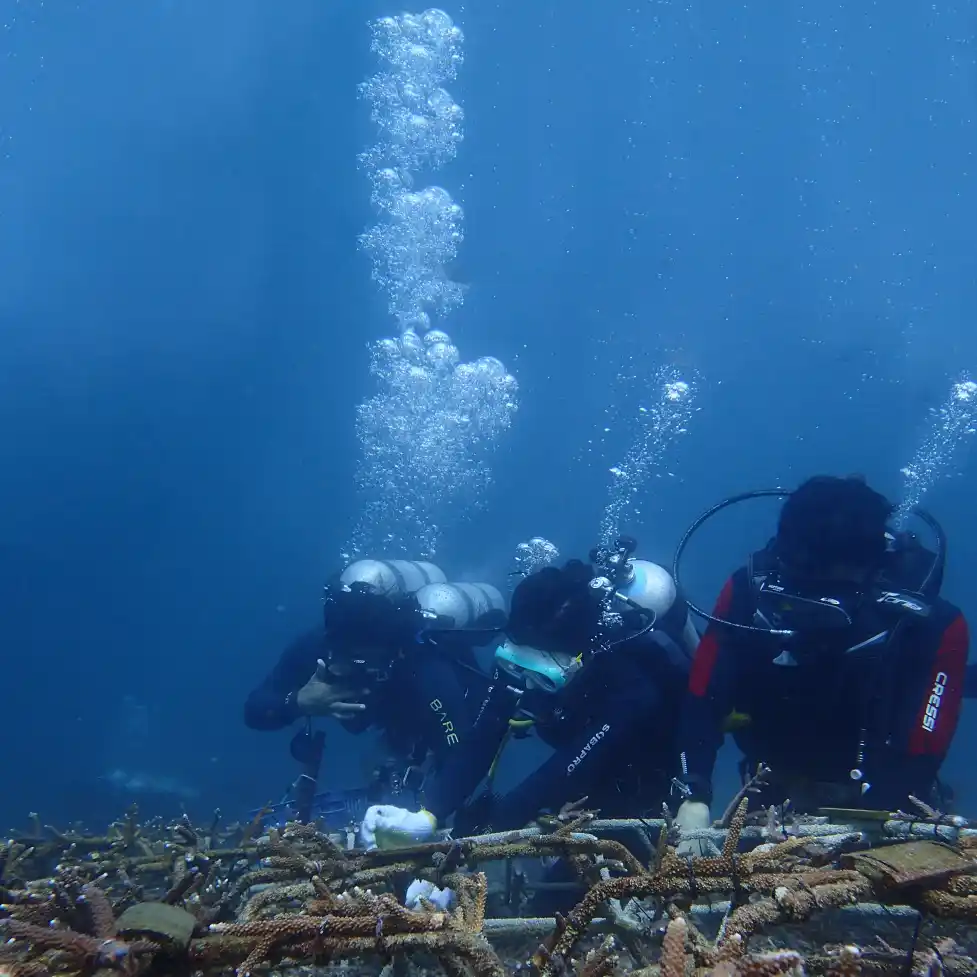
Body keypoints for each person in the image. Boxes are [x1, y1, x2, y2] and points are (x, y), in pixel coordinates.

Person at [673, 475, 969, 844]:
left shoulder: (929, 624)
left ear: (871, 568)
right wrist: (694, 792)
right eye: (799, 580)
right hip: (770, 794)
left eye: (826, 589)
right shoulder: (748, 591)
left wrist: (867, 821)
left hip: (882, 811)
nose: (806, 605)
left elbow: (924, 744)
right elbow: (704, 694)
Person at [361, 538, 699, 847]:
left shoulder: (631, 682)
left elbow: (580, 757)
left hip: (646, 766)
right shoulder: (519, 660)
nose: (524, 683)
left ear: (582, 658)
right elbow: (483, 738)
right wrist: (428, 815)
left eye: (544, 676)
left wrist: (495, 824)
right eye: (514, 664)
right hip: (579, 771)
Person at [244, 559, 504, 823]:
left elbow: (460, 752)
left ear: (392, 647)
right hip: (392, 723)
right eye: (345, 655)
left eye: (365, 658)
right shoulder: (317, 647)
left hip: (431, 719)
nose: (353, 667)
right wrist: (297, 702)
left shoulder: (423, 662)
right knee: (381, 764)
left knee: (418, 769)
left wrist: (427, 817)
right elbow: (254, 709)